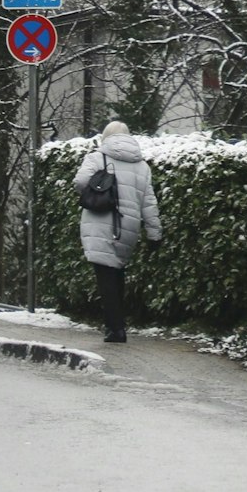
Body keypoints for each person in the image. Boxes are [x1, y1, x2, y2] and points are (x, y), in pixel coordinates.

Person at [72, 120, 162, 342]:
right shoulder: (142, 166)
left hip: (101, 221)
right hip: (128, 227)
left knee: (105, 276)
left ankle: (115, 328)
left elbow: (79, 182)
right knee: (117, 273)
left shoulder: (97, 157)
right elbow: (149, 202)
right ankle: (117, 323)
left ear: (106, 137)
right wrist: (154, 233)